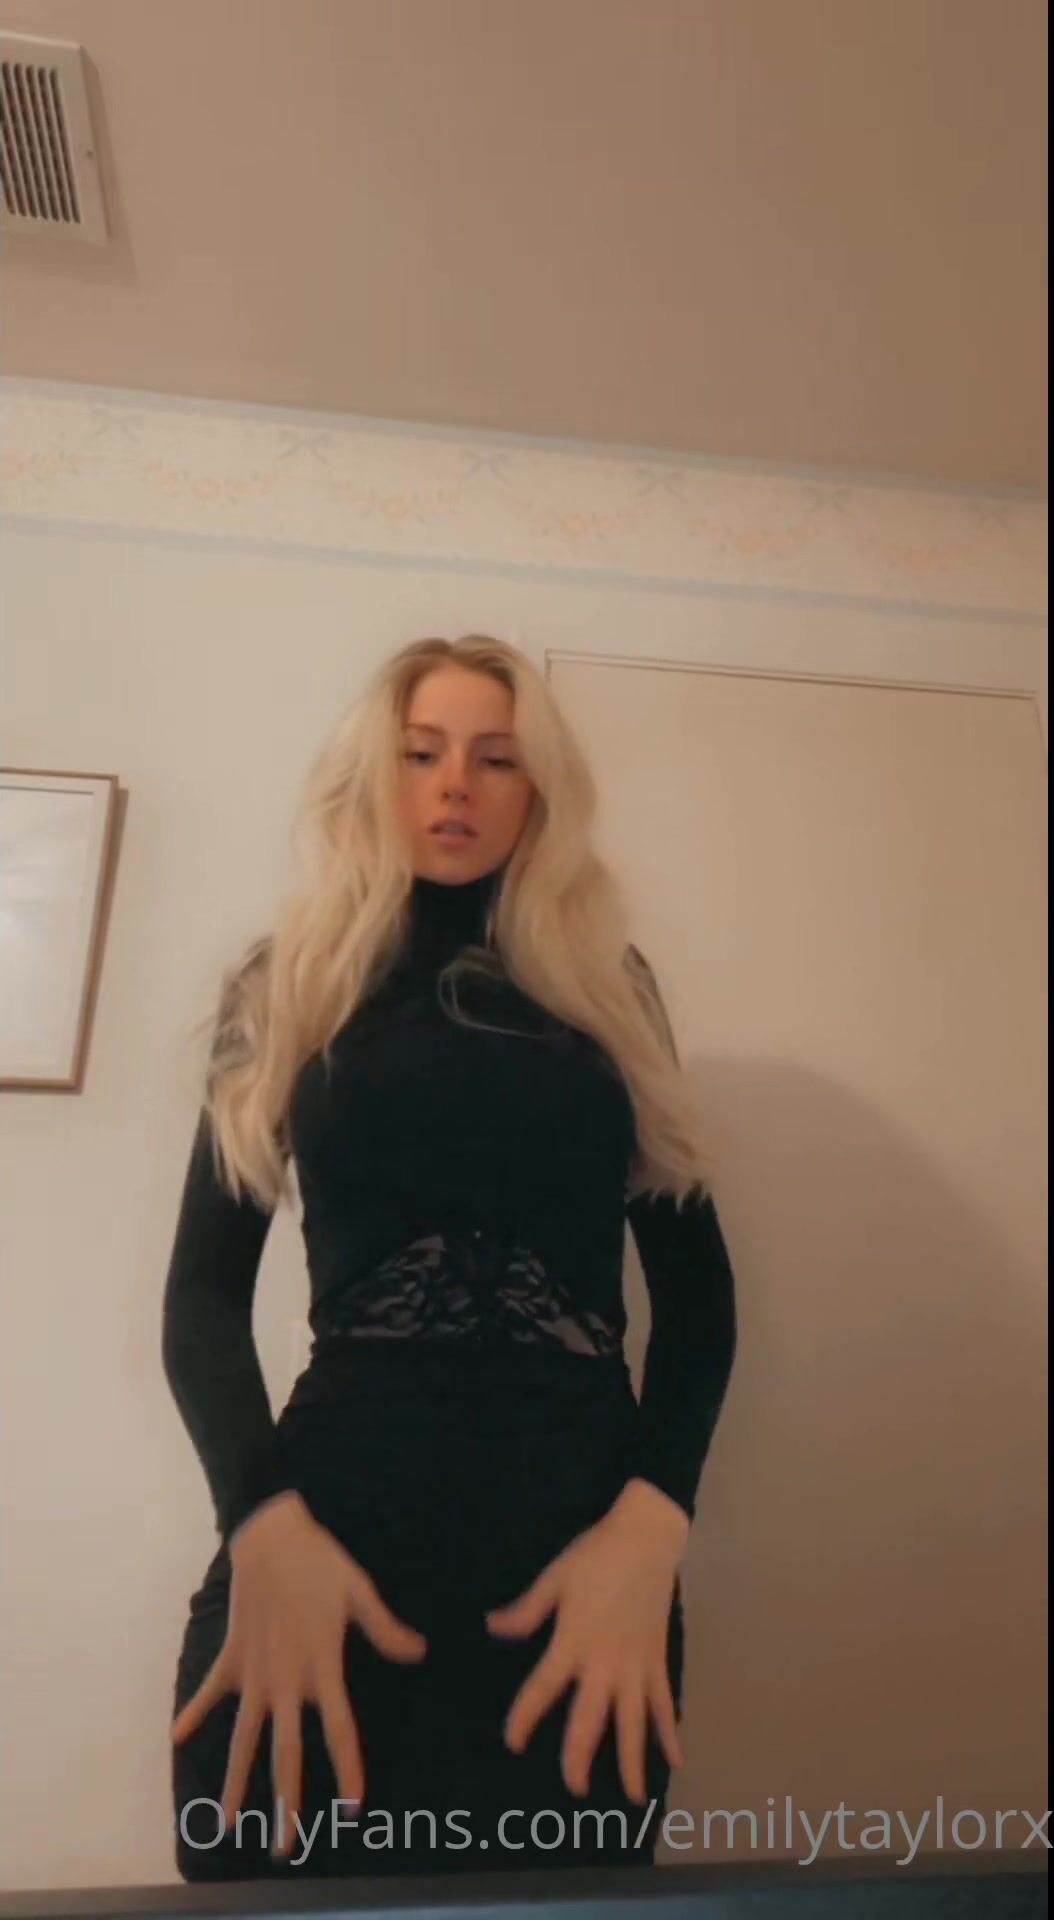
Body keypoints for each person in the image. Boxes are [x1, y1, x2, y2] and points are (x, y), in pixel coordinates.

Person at [163, 633, 737, 1881]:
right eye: (419, 754)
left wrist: (655, 1527)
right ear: (373, 776)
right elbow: (201, 1301)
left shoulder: (608, 988)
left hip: (585, 1576)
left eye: (497, 758)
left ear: (540, 790)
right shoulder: (287, 981)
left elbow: (698, 1303)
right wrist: (259, 1523)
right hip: (319, 1550)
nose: (455, 785)